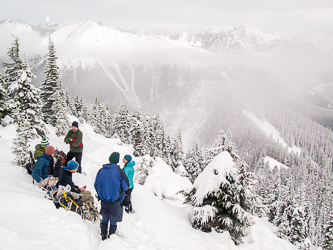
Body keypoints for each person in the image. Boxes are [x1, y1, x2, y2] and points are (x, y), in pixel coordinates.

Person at [94, 152, 129, 240]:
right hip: (116, 200)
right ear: (117, 161)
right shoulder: (119, 171)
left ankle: (103, 235)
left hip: (103, 199)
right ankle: (111, 237)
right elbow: (126, 186)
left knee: (105, 218)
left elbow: (96, 184)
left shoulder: (101, 170)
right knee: (113, 220)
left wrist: (101, 194)